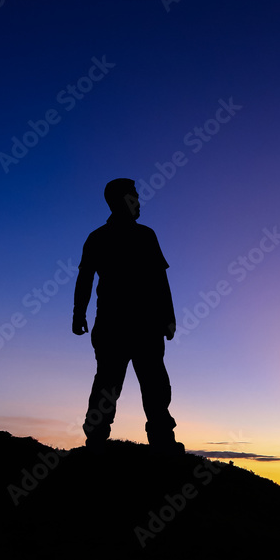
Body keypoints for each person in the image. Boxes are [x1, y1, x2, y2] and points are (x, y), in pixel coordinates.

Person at [73, 178, 184, 454]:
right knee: (108, 384)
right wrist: (78, 313)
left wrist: (168, 316)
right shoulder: (98, 238)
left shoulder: (146, 235)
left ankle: (162, 439)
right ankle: (96, 438)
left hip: (145, 325)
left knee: (155, 385)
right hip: (114, 325)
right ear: (121, 200)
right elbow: (84, 278)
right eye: (134, 197)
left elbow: (160, 279)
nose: (138, 202)